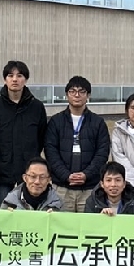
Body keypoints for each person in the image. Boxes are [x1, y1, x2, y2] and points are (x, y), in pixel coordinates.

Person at [0, 60, 48, 208]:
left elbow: (41, 137)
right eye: (10, 75)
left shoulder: (37, 107)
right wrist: (1, 157)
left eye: (19, 75)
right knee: (4, 211)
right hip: (3, 171)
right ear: (5, 79)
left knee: (29, 211)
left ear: (25, 79)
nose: (15, 79)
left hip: (29, 172)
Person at [44, 76, 110, 213]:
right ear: (66, 95)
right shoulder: (56, 122)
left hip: (89, 189)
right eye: (72, 91)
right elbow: (50, 152)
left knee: (89, 224)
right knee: (62, 225)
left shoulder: (98, 123)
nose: (77, 95)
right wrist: (66, 175)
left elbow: (102, 153)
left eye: (82, 91)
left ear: (88, 95)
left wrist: (86, 174)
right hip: (62, 188)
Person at [0, 158, 64, 213]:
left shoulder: (58, 204)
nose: (37, 182)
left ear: (48, 180)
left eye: (42, 177)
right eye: (33, 176)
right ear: (25, 178)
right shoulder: (10, 202)